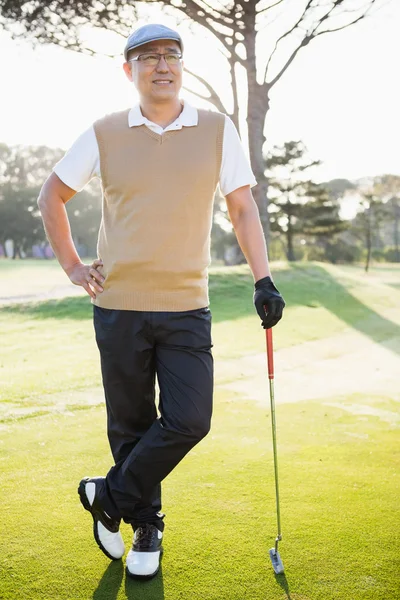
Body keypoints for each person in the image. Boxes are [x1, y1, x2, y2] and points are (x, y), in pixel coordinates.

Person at [37, 23, 285, 580]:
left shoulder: (217, 130)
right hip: (118, 303)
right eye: (147, 58)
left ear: (183, 65)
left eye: (172, 55)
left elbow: (243, 209)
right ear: (129, 71)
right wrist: (74, 266)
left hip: (185, 306)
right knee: (130, 423)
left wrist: (262, 279)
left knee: (190, 418)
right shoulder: (104, 132)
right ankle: (147, 523)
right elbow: (50, 194)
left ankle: (109, 494)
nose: (162, 65)